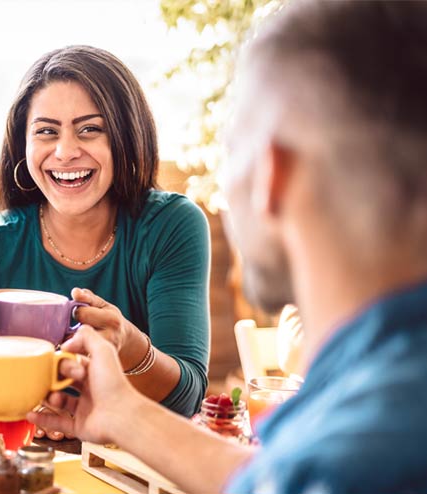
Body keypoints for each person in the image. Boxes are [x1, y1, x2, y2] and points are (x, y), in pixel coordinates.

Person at [29, 2, 427, 492]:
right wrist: (123, 414)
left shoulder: (352, 454)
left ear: (271, 173)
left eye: (231, 146)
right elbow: (271, 478)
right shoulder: (376, 402)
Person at [0, 45, 210, 435]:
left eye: (90, 129)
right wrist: (36, 422)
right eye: (47, 132)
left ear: (125, 138)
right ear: (23, 146)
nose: (66, 152)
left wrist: (131, 347)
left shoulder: (172, 226)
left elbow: (186, 399)